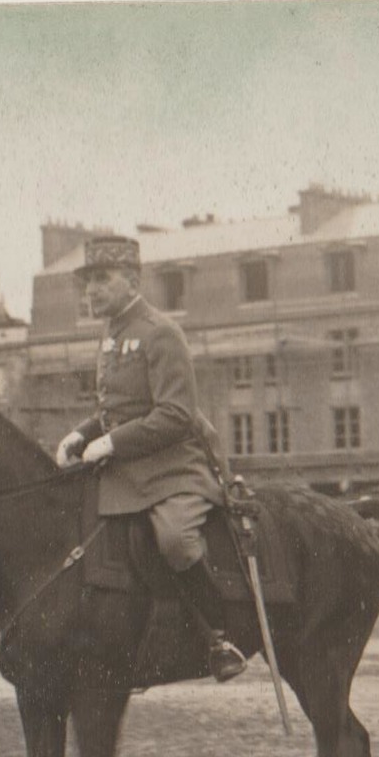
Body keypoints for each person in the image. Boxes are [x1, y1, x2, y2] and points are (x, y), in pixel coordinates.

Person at [55, 235, 245, 681]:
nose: (92, 291)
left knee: (175, 540)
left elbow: (176, 415)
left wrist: (112, 443)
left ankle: (220, 636)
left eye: (102, 280)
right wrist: (81, 435)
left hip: (174, 468)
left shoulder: (160, 332)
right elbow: (113, 410)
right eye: (87, 283)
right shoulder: (111, 334)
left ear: (132, 280)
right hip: (127, 468)